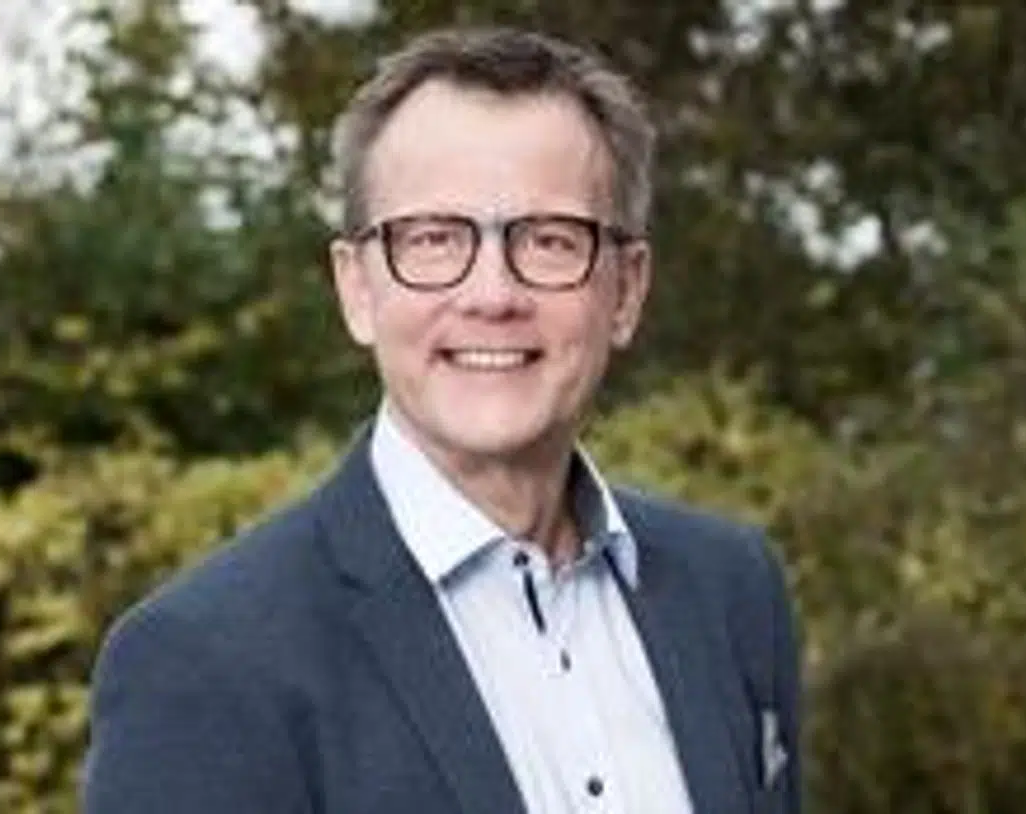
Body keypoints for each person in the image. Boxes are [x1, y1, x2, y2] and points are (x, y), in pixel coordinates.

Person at [82, 25, 801, 814]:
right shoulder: (204, 662)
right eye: (434, 239)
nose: (493, 295)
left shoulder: (731, 589)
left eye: (550, 240)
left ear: (626, 290)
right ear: (357, 289)